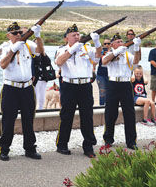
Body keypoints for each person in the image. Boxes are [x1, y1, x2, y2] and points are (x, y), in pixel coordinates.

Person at [0, 22, 43, 161]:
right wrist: (13, 50)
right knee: (8, 121)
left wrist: (38, 35)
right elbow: (3, 65)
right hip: (11, 88)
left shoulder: (28, 45)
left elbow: (41, 51)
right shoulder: (4, 47)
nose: (18, 35)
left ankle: (30, 148)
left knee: (28, 120)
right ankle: (4, 149)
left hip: (27, 88)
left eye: (20, 33)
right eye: (15, 33)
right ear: (8, 35)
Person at [55, 24, 102, 158]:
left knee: (87, 116)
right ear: (66, 38)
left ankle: (88, 146)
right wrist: (72, 50)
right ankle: (62, 144)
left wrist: (97, 42)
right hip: (69, 86)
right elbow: (59, 62)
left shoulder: (87, 48)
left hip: (85, 86)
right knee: (66, 116)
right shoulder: (62, 49)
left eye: (78, 35)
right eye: (73, 35)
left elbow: (97, 58)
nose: (77, 37)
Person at [102, 33, 140, 150]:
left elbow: (136, 61)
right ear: (112, 44)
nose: (120, 43)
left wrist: (137, 48)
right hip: (113, 84)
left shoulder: (127, 54)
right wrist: (116, 52)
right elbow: (104, 61)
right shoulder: (109, 53)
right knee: (110, 113)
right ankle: (108, 139)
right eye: (117, 42)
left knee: (129, 114)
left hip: (126, 84)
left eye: (121, 41)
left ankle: (131, 141)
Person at [96, 39, 111, 105]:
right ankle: (101, 106)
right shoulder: (100, 51)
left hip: (110, 75)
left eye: (108, 43)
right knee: (102, 92)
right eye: (105, 44)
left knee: (110, 92)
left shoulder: (113, 52)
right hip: (101, 74)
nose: (107, 45)